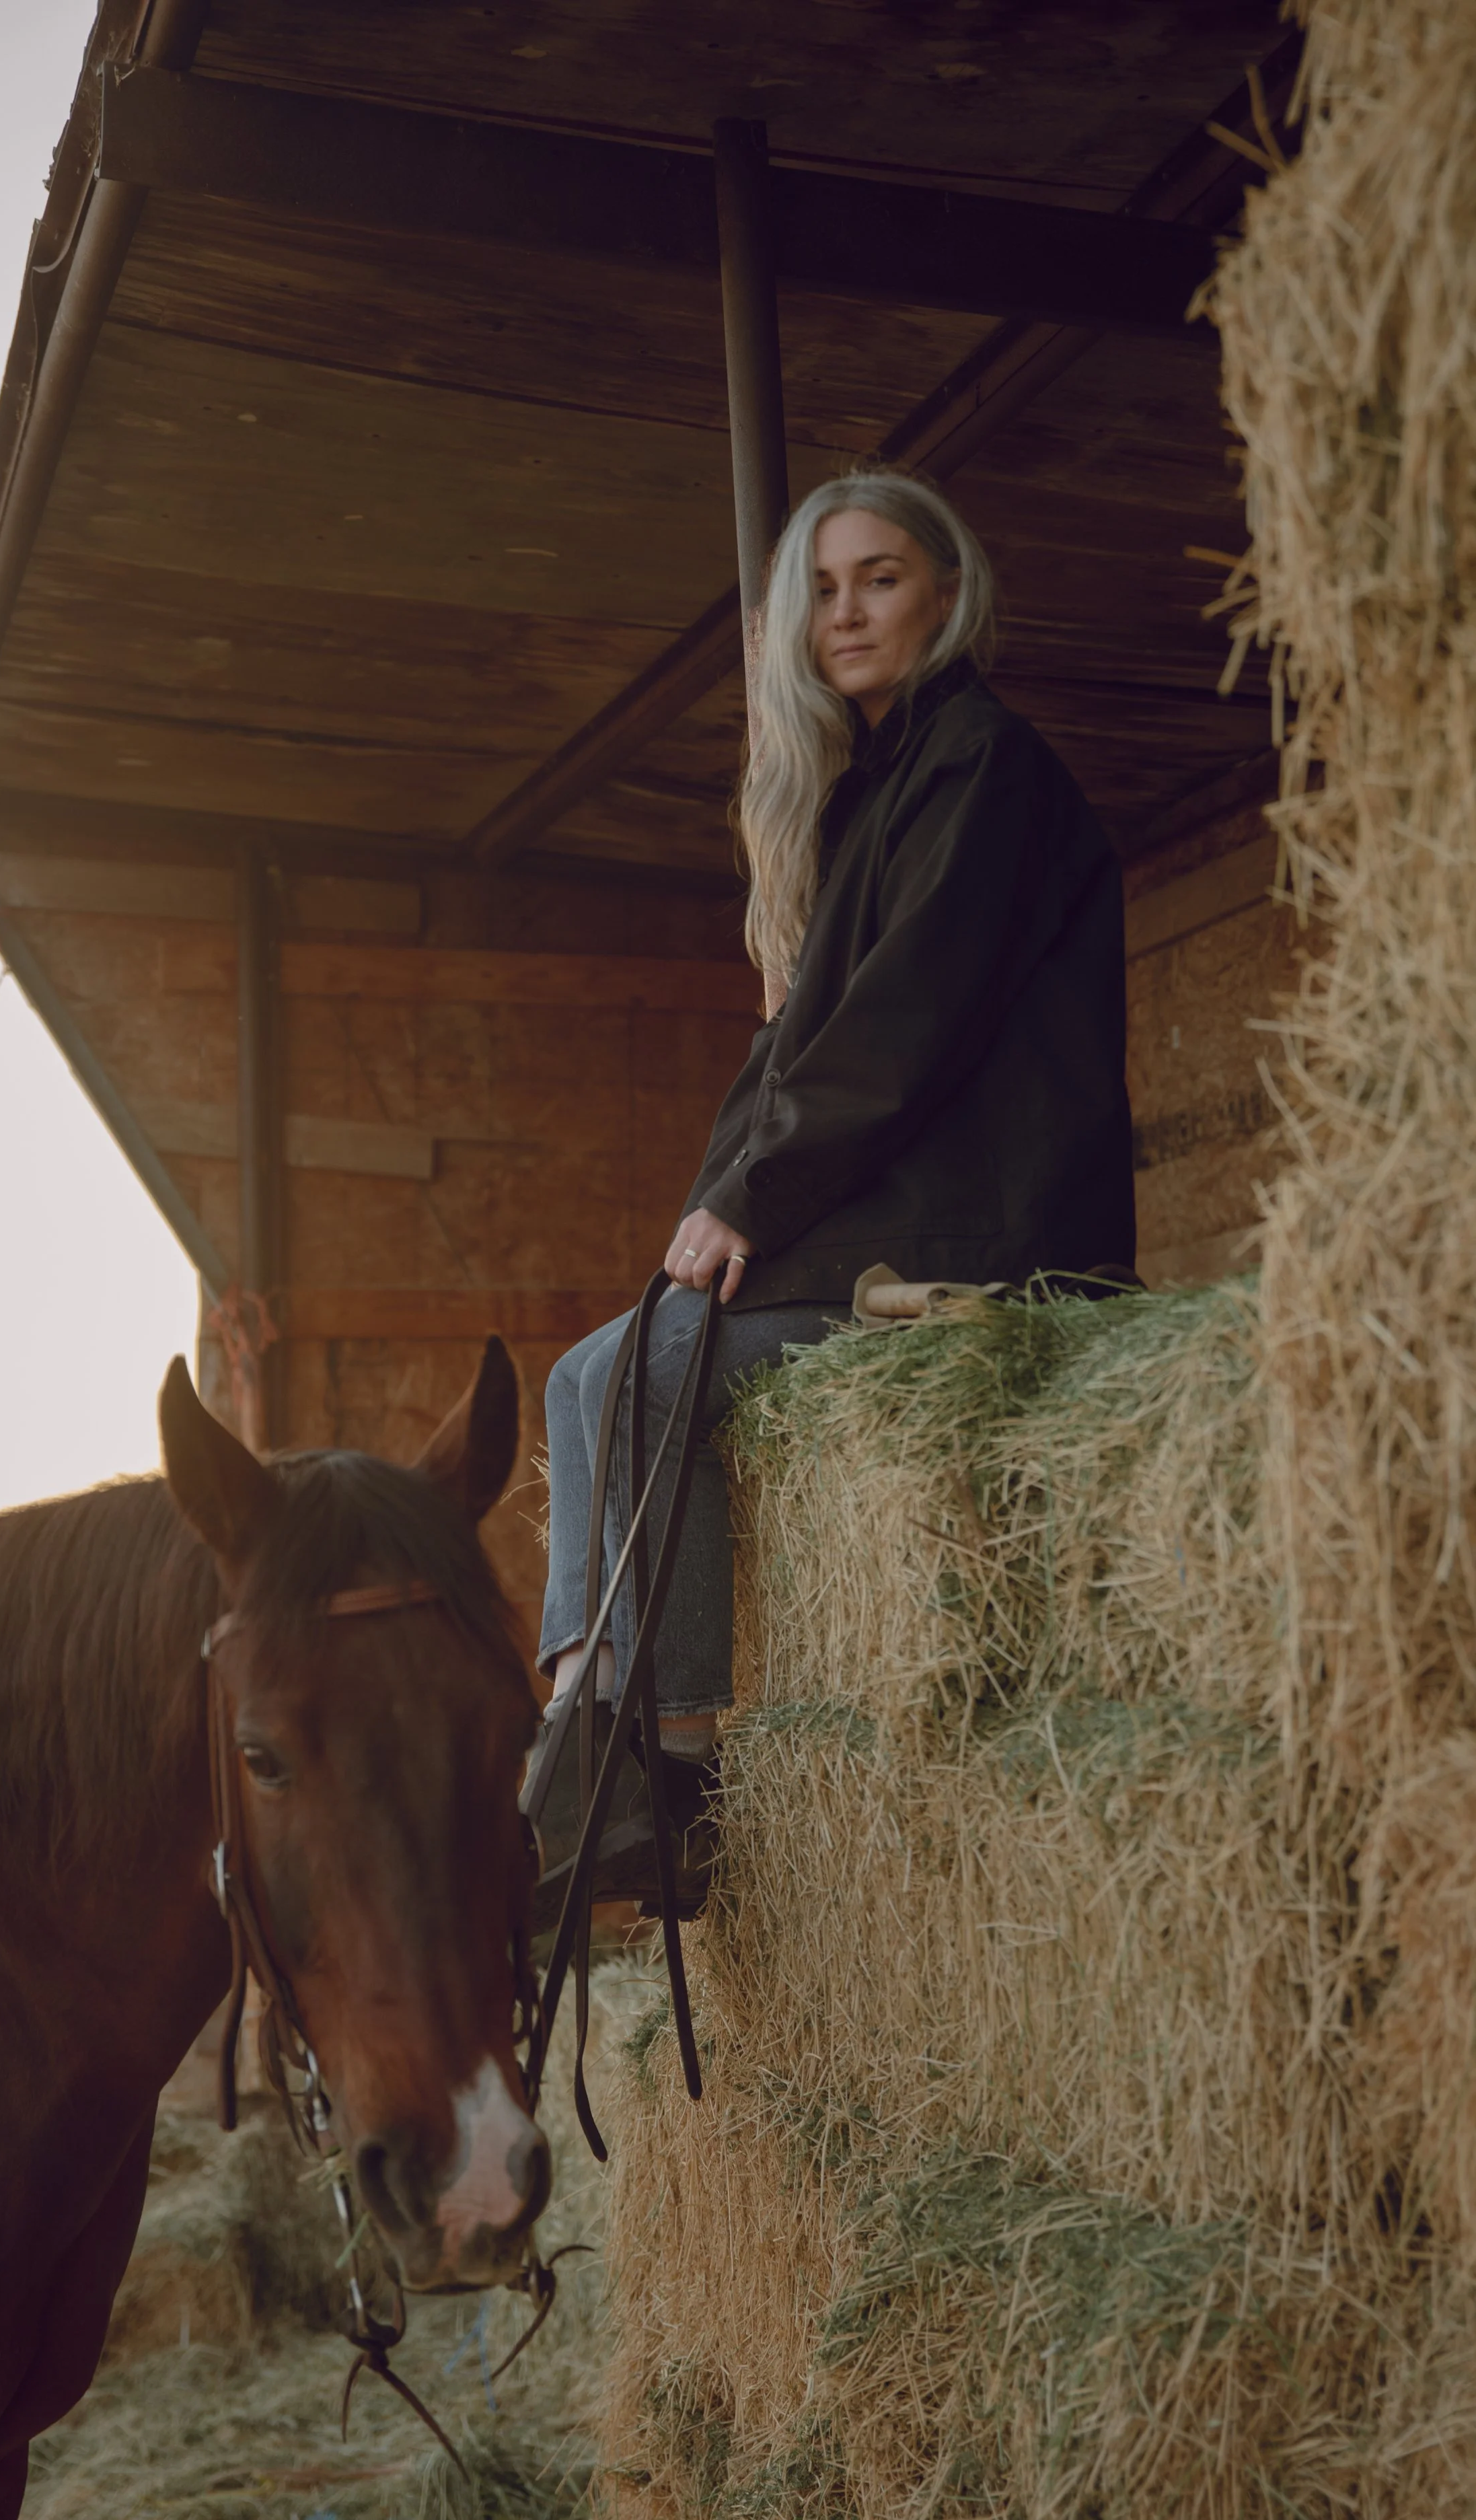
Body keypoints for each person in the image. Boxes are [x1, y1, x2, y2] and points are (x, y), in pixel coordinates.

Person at [523, 469, 1135, 1923]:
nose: (845, 609)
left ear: (944, 593)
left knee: (659, 1364)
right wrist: (713, 1204)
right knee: (582, 1375)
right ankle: (576, 1723)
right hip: (878, 1213)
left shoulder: (980, 765)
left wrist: (751, 1198)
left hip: (975, 1228)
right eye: (819, 584)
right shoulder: (865, 794)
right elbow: (788, 1055)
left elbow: (899, 1026)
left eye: (878, 577)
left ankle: (668, 1772)